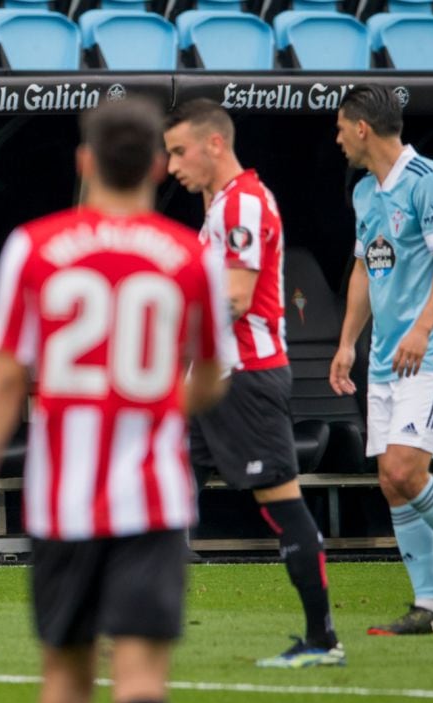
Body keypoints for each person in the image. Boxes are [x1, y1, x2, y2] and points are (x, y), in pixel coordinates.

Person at [0, 97, 230, 703]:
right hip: (154, 498)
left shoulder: (35, 246)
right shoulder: (194, 257)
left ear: (84, 160)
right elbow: (211, 378)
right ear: (158, 166)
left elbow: (1, 376)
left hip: (61, 499)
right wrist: (158, 405)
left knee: (67, 685)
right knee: (142, 684)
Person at [163, 98, 345, 667]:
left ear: (214, 144)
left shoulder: (243, 203)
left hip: (246, 377)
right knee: (161, 485)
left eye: (178, 151)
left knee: (280, 503)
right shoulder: (221, 206)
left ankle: (322, 639)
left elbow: (237, 298)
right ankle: (136, 620)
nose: (171, 166)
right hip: (212, 376)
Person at [331, 84, 433, 635]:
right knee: (390, 480)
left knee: (407, 469)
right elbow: (365, 269)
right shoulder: (364, 194)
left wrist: (422, 329)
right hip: (384, 359)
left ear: (361, 128)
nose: (336, 139)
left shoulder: (431, 183)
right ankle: (430, 606)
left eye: (339, 128)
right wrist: (347, 343)